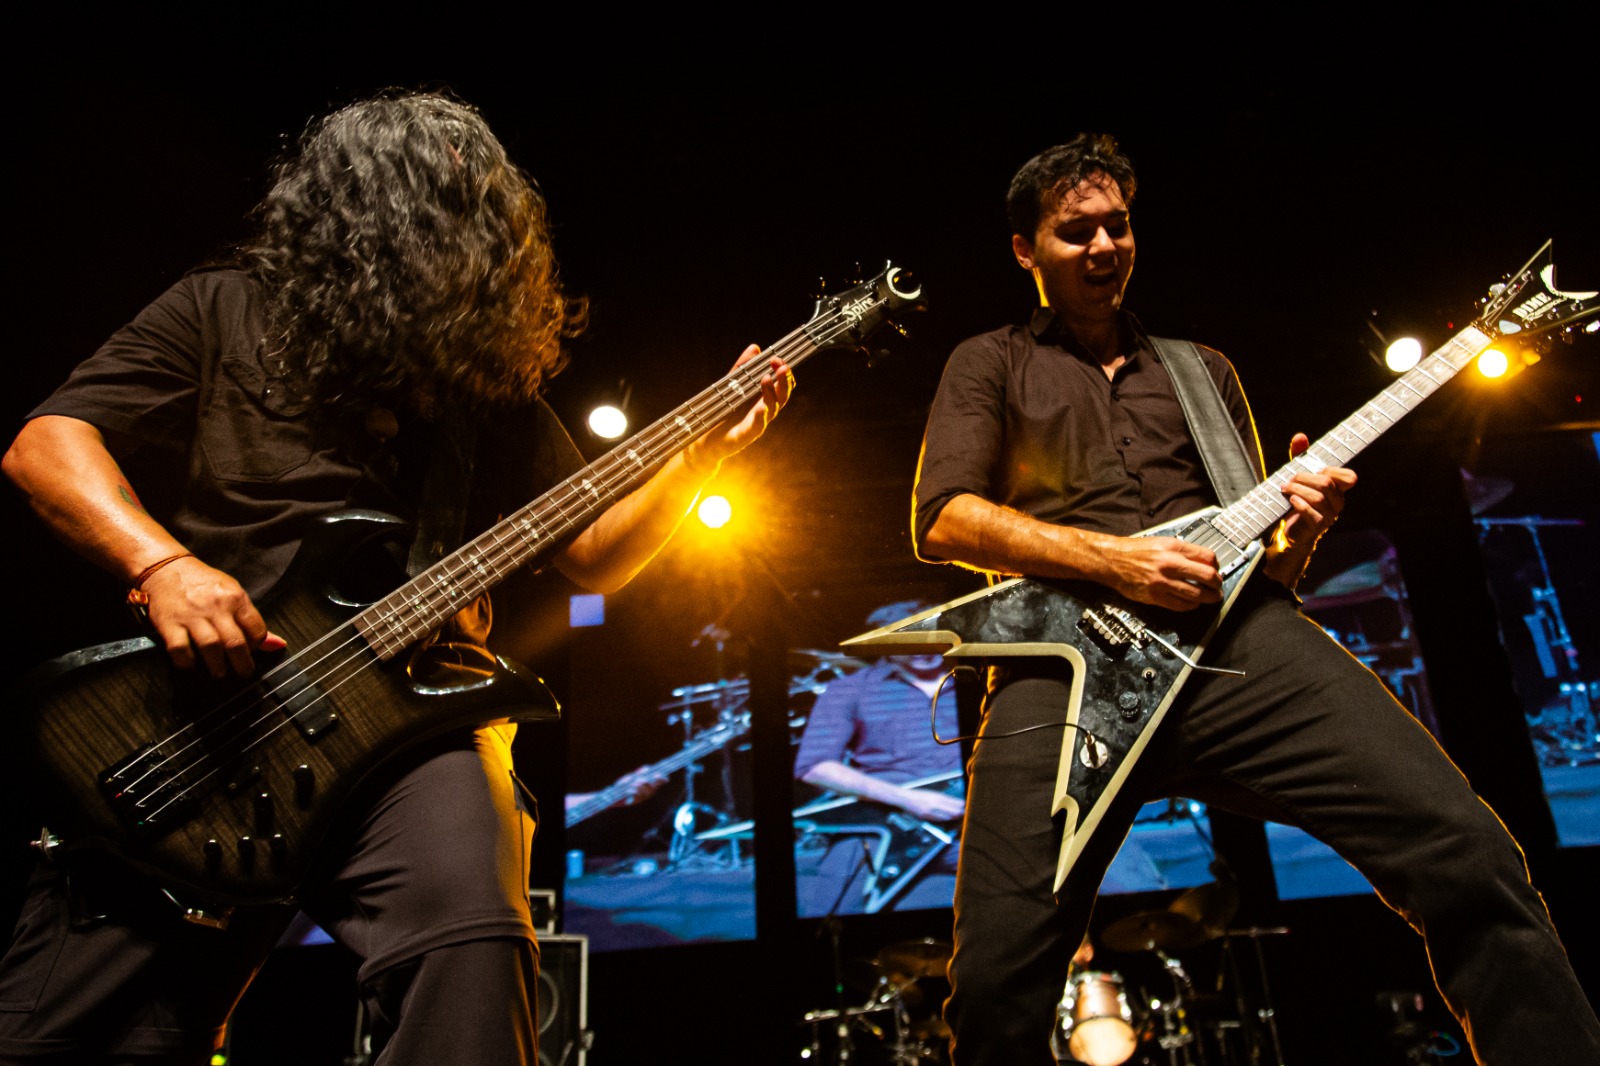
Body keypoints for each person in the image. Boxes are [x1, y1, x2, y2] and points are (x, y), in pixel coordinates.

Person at [0, 91, 790, 1064]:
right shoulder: (224, 304)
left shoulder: (480, 380)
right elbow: (47, 444)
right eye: (446, 204)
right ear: (360, 208)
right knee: (98, 1034)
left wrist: (705, 453)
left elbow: (590, 551)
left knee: (472, 950)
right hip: (211, 721)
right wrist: (162, 563)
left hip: (423, 723)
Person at [909, 134, 1600, 1064]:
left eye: (1119, 227)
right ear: (1027, 250)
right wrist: (1115, 563)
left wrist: (1302, 526)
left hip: (1240, 650)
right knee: (996, 988)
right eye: (1077, 233)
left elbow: (1265, 572)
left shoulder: (1204, 370)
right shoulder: (986, 362)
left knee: (1466, 854)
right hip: (1061, 673)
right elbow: (943, 520)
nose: (1106, 247)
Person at [792, 601, 965, 916]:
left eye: (930, 637)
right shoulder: (849, 690)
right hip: (882, 823)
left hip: (969, 824)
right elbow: (815, 767)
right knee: (829, 914)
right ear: (882, 640)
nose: (922, 649)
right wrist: (907, 799)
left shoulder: (977, 681)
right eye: (906, 640)